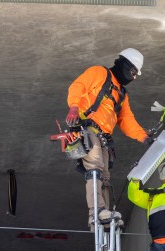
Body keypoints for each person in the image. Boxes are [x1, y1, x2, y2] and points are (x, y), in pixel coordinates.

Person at [65, 48, 154, 229]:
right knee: (95, 169)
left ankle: (105, 218)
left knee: (104, 177)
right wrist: (74, 107)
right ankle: (95, 213)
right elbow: (78, 86)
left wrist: (144, 138)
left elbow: (126, 120)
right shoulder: (99, 73)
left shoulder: (121, 93)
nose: (134, 77)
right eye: (133, 72)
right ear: (124, 65)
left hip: (104, 137)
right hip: (87, 129)